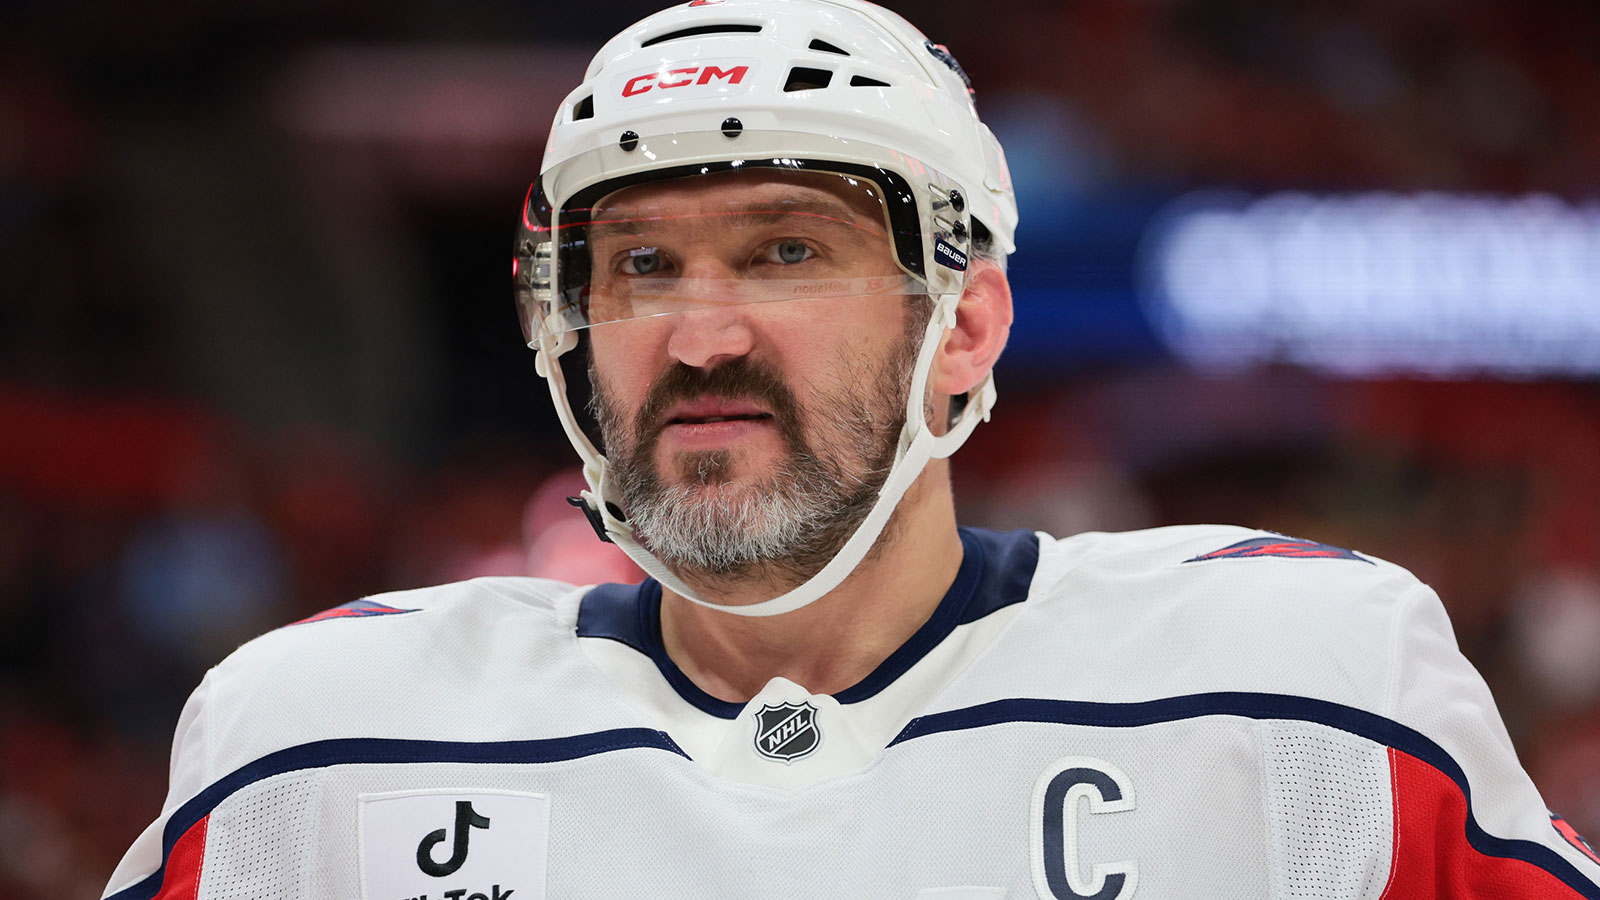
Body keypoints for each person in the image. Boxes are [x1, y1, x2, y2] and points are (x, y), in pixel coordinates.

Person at [105, 1, 1600, 898]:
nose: (700, 336)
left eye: (784, 252)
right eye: (639, 268)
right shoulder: (310, 745)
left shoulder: (1301, 696)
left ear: (963, 323)